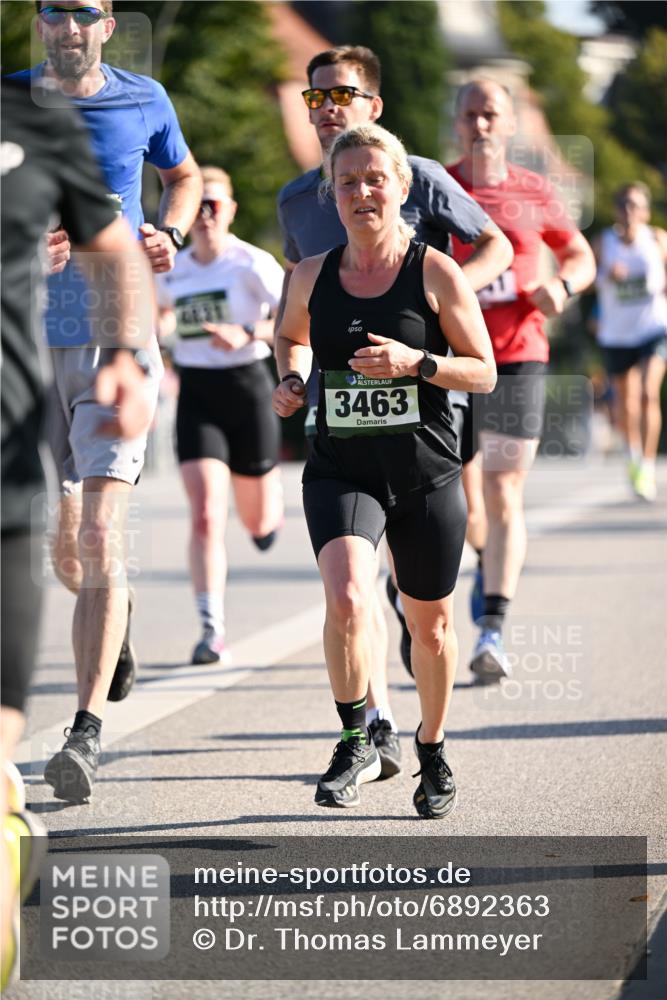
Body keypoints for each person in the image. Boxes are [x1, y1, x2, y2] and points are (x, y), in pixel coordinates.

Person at [276, 45, 512, 774]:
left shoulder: (425, 180)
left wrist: (439, 303)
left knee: (430, 594)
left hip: (427, 416)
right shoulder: (295, 201)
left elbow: (497, 245)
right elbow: (298, 321)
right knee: (348, 594)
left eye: (341, 95)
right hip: (342, 434)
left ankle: (429, 644)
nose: (327, 109)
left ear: (371, 105)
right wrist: (291, 372)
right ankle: (369, 726)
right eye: (314, 99)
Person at [12, 0, 202, 801]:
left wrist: (172, 232)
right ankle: (111, 633)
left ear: (108, 24)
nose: (67, 25)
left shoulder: (145, 99)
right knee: (64, 546)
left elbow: (183, 176)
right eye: (53, 10)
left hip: (111, 335)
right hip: (20, 340)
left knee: (98, 528)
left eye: (83, 12)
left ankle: (84, 731)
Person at [1, 76, 154, 988]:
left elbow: (123, 237)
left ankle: (86, 723)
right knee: (79, 553)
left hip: (67, 382)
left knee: (97, 538)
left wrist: (134, 352)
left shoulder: (35, 123)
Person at [447, 79, 596, 681]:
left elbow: (580, 254)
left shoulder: (535, 191)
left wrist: (562, 285)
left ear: (509, 125)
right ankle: (485, 562)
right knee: (464, 500)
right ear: (457, 122)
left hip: (518, 355)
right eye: (471, 115)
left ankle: (492, 629)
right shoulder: (437, 185)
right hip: (454, 358)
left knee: (505, 488)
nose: (481, 125)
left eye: (491, 115)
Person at [157, 167, 285, 664]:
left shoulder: (251, 263)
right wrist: (163, 327)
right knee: (207, 512)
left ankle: (264, 514)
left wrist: (249, 332)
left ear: (230, 211)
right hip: (198, 393)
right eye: (200, 205)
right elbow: (160, 312)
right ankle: (211, 628)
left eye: (216, 205)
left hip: (248, 387)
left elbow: (296, 320)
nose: (207, 214)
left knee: (256, 519)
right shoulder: (174, 266)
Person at [595, 182, 667, 502]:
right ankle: (633, 457)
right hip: (616, 333)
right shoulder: (603, 243)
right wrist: (606, 277)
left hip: (653, 329)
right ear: (616, 209)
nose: (629, 211)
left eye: (635, 205)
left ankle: (648, 466)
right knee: (627, 402)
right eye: (624, 204)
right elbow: (587, 279)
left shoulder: (658, 239)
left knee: (649, 393)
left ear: (646, 211)